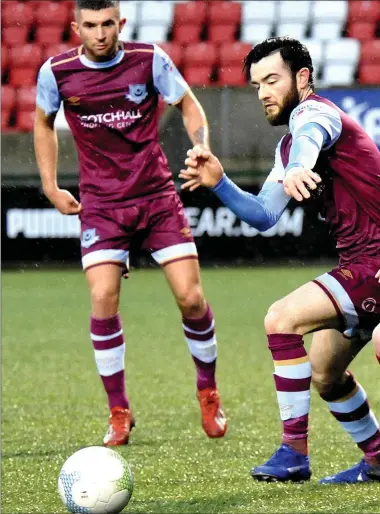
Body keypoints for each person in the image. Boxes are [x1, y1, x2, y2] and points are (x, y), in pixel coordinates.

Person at [180, 37, 380, 484]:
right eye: (256, 85)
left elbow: (311, 137)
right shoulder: (287, 147)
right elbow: (264, 216)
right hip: (362, 265)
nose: (263, 92)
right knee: (327, 374)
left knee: (281, 319)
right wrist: (220, 182)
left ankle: (293, 452)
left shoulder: (317, 115)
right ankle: (377, 457)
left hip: (374, 261)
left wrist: (298, 167)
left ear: (302, 78)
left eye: (272, 80)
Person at [34, 0, 227, 447]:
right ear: (75, 27)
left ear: (120, 23)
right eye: (90, 26)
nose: (100, 34)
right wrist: (50, 185)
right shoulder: (56, 72)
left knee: (191, 298)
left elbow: (189, 104)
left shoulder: (149, 59)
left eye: (107, 25)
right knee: (102, 296)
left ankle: (208, 390)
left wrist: (202, 147)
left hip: (156, 197)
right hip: (101, 203)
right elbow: (43, 123)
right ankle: (119, 411)